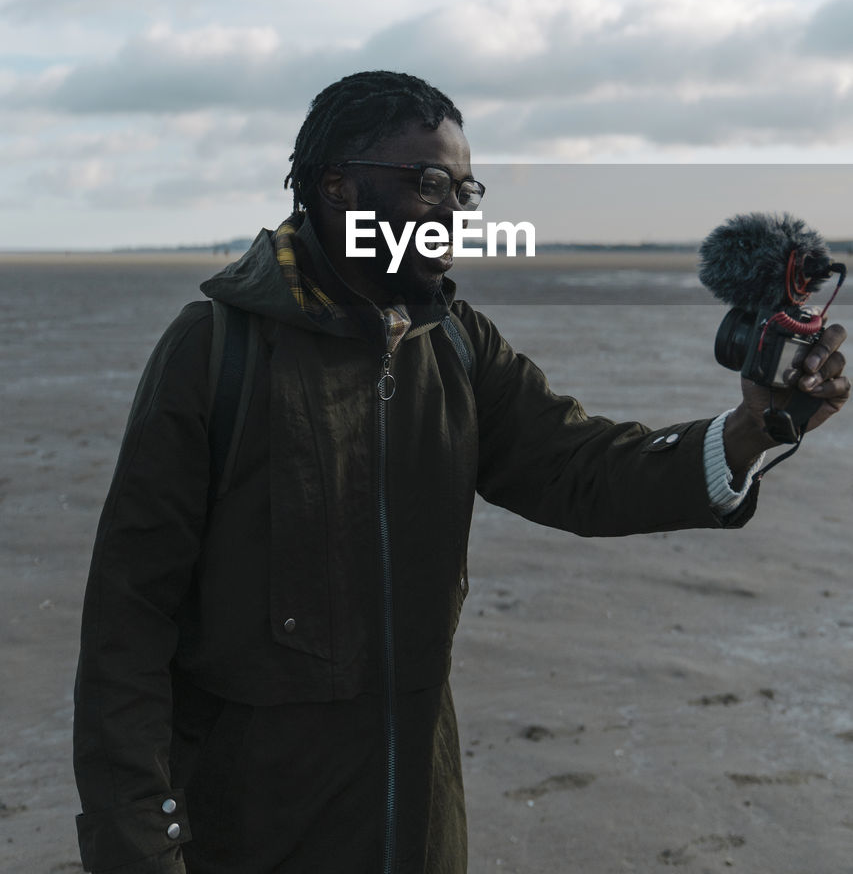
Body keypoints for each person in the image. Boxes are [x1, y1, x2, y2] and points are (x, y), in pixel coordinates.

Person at [73, 70, 849, 874]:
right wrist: (135, 845)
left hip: (418, 823)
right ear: (336, 185)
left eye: (464, 189)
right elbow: (126, 626)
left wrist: (753, 431)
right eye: (429, 182)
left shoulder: (456, 344)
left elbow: (580, 467)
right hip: (252, 832)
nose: (452, 211)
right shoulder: (214, 353)